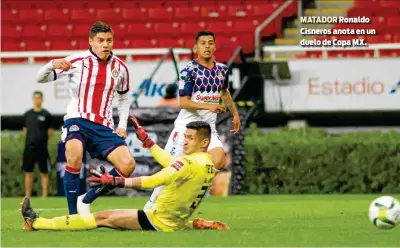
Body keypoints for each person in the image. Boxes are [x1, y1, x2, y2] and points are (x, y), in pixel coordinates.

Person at [21, 119, 229, 232]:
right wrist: (148, 143)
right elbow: (171, 163)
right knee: (107, 217)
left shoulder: (188, 162)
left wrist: (116, 181)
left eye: (190, 138)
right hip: (175, 219)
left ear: (203, 142)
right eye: (185, 137)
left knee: (102, 217)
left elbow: (153, 180)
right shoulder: (208, 163)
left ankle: (37, 223)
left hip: (157, 221)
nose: (184, 142)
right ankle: (193, 225)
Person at [35, 21, 135, 215]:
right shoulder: (77, 61)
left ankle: (86, 200)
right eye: (100, 40)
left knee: (128, 165)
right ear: (91, 41)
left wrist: (122, 125)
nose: (105, 44)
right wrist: (51, 65)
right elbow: (40, 78)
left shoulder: (120, 68)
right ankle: (73, 215)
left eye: (109, 40)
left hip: (104, 126)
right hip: (77, 119)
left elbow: (124, 98)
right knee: (74, 155)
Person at [144, 30, 241, 210]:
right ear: (195, 47)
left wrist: (235, 113)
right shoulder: (189, 71)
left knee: (219, 161)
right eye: (203, 43)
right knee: (169, 172)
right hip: (185, 129)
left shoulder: (221, 70)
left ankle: (189, 187)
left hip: (207, 128)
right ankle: (150, 207)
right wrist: (209, 106)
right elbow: (184, 102)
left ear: (215, 45)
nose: (207, 46)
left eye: (210, 43)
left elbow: (224, 92)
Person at [22, 91, 54, 198]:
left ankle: (44, 195)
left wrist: (41, 140)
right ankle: (27, 195)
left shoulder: (47, 115)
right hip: (29, 147)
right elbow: (25, 130)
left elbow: (50, 132)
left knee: (44, 172)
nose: (37, 100)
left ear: (42, 99)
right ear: (33, 99)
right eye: (35, 98)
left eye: (39, 98)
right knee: (28, 172)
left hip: (42, 148)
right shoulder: (27, 114)